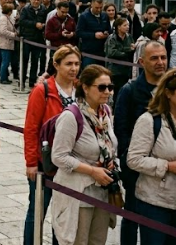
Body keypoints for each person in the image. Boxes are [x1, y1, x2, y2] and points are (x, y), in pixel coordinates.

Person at [51, 65, 118, 245]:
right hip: (78, 193)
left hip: (102, 192)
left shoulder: (106, 112)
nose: (107, 92)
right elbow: (58, 156)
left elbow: (109, 145)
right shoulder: (71, 116)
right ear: (86, 88)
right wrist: (92, 171)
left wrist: (111, 162)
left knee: (98, 241)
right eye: (102, 87)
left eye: (110, 87)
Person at [22, 45, 82, 245]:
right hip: (45, 162)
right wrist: (31, 162)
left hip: (71, 162)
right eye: (68, 64)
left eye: (76, 63)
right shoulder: (43, 90)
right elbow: (31, 128)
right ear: (56, 65)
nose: (73, 68)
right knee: (37, 210)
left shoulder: (80, 90)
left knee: (64, 214)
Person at [113, 40, 168, 245]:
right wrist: (130, 158)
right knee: (132, 216)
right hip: (138, 167)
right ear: (142, 62)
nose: (160, 62)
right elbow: (121, 129)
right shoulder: (130, 91)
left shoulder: (170, 89)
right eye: (154, 58)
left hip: (167, 168)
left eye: (163, 57)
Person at [125, 68, 176, 245]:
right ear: (168, 93)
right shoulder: (149, 120)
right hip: (155, 203)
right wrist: (167, 166)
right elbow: (133, 159)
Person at [20, 0, 48, 88]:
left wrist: (42, 25)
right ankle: (22, 80)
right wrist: (35, 24)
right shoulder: (25, 9)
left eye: (38, 0)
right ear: (31, 0)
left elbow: (46, 21)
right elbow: (22, 21)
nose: (36, 2)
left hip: (38, 39)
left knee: (35, 61)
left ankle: (32, 81)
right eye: (34, 0)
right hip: (27, 38)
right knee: (24, 60)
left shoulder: (43, 10)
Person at [76, 0, 111, 68]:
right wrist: (94, 35)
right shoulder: (84, 16)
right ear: (91, 5)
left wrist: (106, 33)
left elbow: (109, 30)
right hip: (89, 52)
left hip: (102, 51)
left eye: (101, 8)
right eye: (96, 8)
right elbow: (79, 32)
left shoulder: (104, 15)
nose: (99, 10)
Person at [104, 18, 135, 95]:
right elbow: (111, 53)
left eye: (128, 25)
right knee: (116, 92)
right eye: (125, 25)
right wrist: (127, 51)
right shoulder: (112, 38)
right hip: (115, 70)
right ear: (118, 27)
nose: (127, 27)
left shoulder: (129, 37)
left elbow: (132, 49)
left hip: (126, 70)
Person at [0, 3, 17, 85]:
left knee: (4, 61)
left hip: (6, 43)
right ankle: (3, 78)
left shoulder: (7, 18)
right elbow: (3, 31)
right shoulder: (3, 18)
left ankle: (4, 76)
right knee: (5, 61)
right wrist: (13, 34)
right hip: (4, 43)